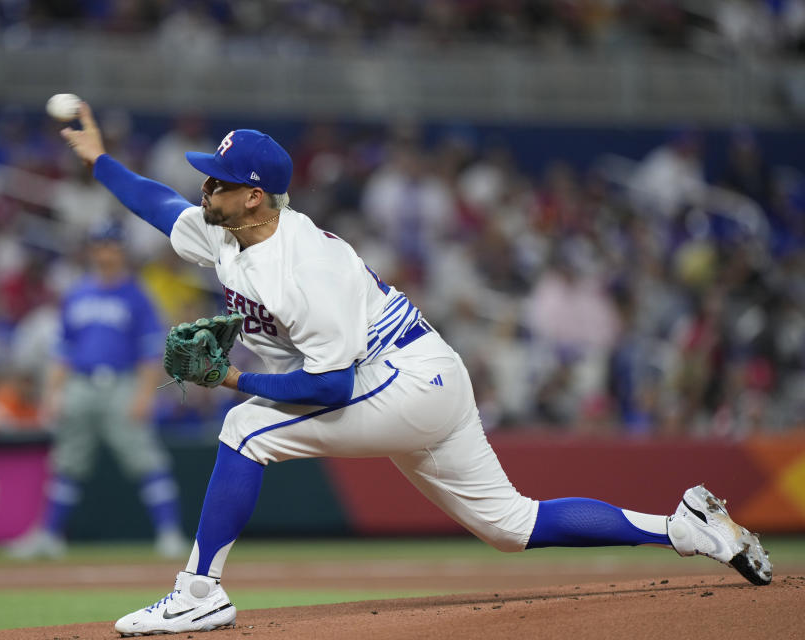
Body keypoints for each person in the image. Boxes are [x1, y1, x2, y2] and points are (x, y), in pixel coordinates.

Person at [59, 105, 772, 636]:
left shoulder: (300, 269)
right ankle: (685, 527)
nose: (204, 190)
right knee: (510, 524)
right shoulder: (231, 233)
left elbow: (332, 388)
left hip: (400, 377)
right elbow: (161, 206)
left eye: (216, 182)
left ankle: (198, 590)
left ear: (253, 195)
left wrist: (235, 382)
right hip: (417, 375)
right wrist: (98, 161)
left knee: (247, 428)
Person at [4, 221, 188, 560]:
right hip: (80, 383)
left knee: (144, 459)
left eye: (112, 245)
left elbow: (151, 352)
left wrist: (146, 394)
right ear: (92, 250)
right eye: (100, 245)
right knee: (68, 461)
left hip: (122, 383)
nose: (105, 251)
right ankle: (50, 536)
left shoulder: (137, 295)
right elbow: (64, 351)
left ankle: (170, 534)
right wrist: (52, 394)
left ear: (121, 250)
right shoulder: (77, 293)